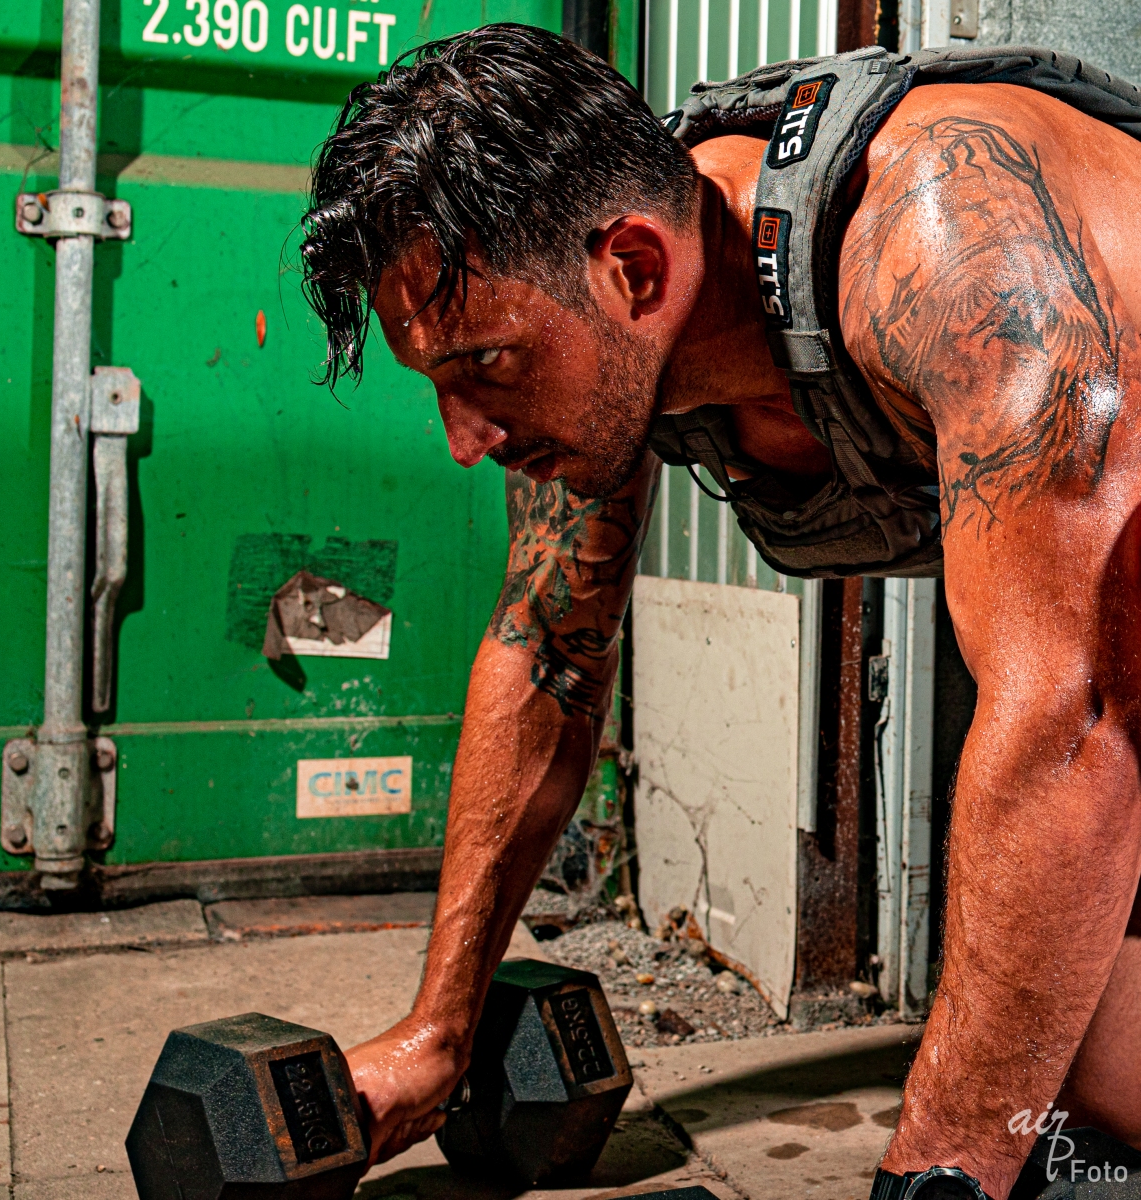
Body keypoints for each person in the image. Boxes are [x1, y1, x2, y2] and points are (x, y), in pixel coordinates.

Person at [299, 24, 1141, 1200]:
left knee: (1057, 1103)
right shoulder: (605, 319)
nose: (465, 438)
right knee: (1079, 1084)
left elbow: (1075, 717)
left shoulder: (953, 249)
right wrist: (439, 1034)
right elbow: (547, 653)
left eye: (485, 366)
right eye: (440, 381)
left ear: (636, 271)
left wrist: (936, 1173)